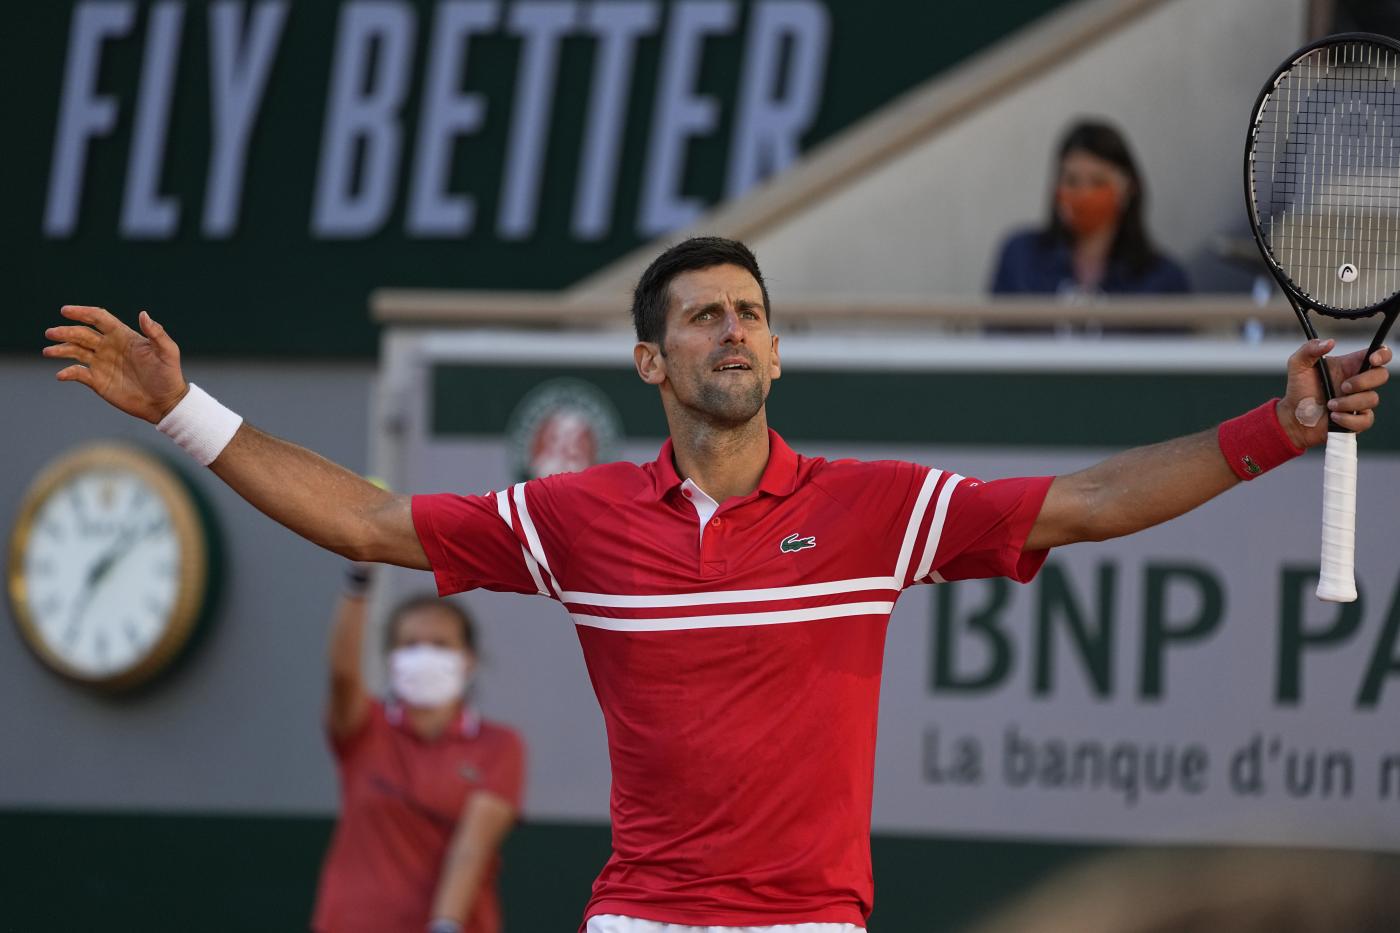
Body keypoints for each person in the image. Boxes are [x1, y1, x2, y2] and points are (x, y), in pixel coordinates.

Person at [44, 236, 1389, 933]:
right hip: (638, 917)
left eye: (749, 310)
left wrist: (1279, 429)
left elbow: (1090, 501)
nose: (732, 328)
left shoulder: (874, 507)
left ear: (778, 351)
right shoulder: (579, 519)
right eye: (703, 314)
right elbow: (377, 518)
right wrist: (186, 415)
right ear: (653, 362)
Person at [311, 568, 525, 933]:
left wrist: (445, 924)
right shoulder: (366, 729)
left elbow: (472, 847)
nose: (424, 655)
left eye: (440, 644)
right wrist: (357, 584)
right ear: (391, 657)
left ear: (468, 659)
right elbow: (343, 675)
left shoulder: (499, 746)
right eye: (410, 644)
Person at [991, 119, 1190, 296]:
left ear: (1129, 189)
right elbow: (994, 335)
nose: (1084, 193)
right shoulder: (1020, 258)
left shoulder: (1161, 280)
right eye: (1071, 181)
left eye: (1098, 182)